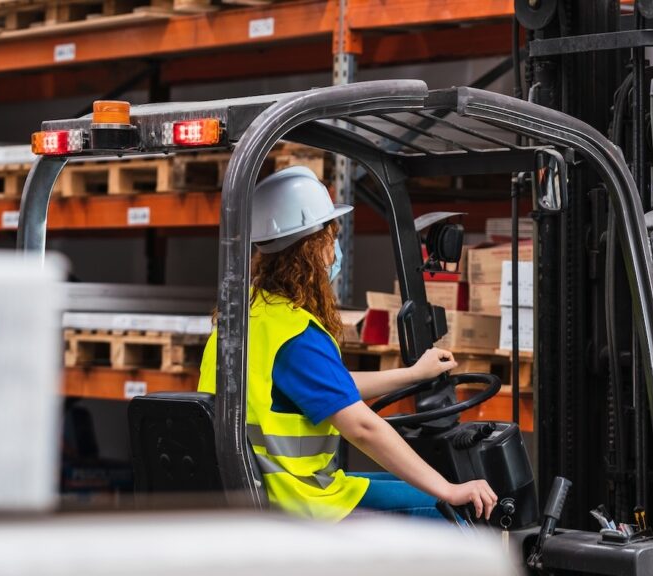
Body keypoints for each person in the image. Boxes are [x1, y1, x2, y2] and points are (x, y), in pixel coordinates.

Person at [198, 166, 497, 522]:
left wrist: (413, 374)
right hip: (303, 502)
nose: (335, 249)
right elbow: (362, 426)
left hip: (268, 492)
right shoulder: (296, 334)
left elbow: (329, 386)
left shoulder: (248, 315)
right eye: (332, 236)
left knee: (409, 486)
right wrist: (449, 490)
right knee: (450, 509)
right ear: (316, 244)